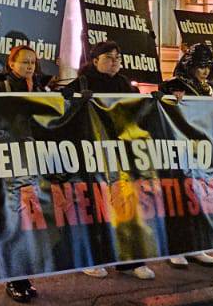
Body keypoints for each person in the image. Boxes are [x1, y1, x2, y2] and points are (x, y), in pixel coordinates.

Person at [68, 41, 167, 280]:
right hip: (92, 156)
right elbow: (59, 108)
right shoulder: (81, 83)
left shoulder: (123, 83)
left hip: (122, 156)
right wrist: (77, 100)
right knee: (95, 207)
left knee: (128, 206)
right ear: (95, 60)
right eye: (109, 57)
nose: (115, 62)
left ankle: (131, 260)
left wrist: (154, 99)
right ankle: (92, 258)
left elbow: (138, 110)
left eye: (118, 57)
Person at [0, 43, 56, 301]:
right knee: (13, 219)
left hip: (32, 164)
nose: (29, 66)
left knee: (30, 221)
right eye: (24, 62)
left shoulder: (41, 89)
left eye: (32, 62)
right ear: (11, 64)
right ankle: (14, 279)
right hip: (9, 164)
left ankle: (25, 277)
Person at [157, 45, 213, 268]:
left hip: (200, 152)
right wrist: (170, 98)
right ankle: (174, 249)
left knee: (199, 200)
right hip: (177, 152)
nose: (204, 71)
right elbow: (160, 109)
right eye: (200, 66)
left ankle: (196, 246)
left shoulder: (206, 89)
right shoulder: (172, 85)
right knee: (177, 200)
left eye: (207, 67)